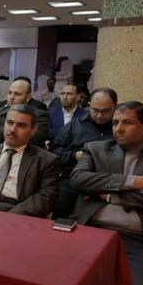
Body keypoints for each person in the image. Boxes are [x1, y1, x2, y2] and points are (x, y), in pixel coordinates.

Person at [70, 101, 143, 285]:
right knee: (66, 284)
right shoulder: (97, 149)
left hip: (135, 238)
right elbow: (78, 179)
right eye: (115, 123)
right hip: (91, 230)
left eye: (127, 123)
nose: (118, 129)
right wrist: (135, 183)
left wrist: (105, 193)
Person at [51, 87, 116, 218]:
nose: (99, 115)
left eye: (105, 111)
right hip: (72, 176)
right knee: (60, 207)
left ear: (115, 107)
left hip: (107, 180)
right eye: (95, 110)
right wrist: (74, 155)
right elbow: (55, 151)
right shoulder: (75, 125)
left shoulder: (119, 127)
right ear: (89, 105)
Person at [0, 79, 50, 148]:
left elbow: (36, 138)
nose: (11, 97)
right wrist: (20, 131)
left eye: (17, 94)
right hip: (0, 152)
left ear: (28, 97)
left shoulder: (40, 115)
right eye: (10, 93)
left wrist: (5, 132)